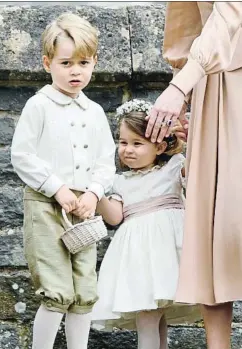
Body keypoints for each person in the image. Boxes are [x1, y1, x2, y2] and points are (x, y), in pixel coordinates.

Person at [11, 13, 116, 349]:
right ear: (47, 63)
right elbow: (22, 155)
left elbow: (105, 160)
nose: (75, 71)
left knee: (84, 289)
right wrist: (56, 187)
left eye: (83, 62)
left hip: (84, 209)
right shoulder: (38, 105)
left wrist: (94, 193)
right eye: (66, 62)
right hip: (46, 206)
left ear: (94, 62)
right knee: (57, 289)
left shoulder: (95, 112)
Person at [145, 3, 242, 349]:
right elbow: (185, 18)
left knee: (235, 226)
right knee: (211, 232)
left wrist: (181, 85)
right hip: (213, 84)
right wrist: (183, 81)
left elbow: (232, 11)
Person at [92, 99, 200, 349]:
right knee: (149, 317)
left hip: (168, 254)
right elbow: (114, 217)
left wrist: (190, 134)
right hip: (138, 258)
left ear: (160, 146)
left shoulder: (173, 168)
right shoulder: (121, 182)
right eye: (123, 142)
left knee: (154, 316)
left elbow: (197, 168)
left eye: (137, 143)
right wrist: (96, 192)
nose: (128, 149)